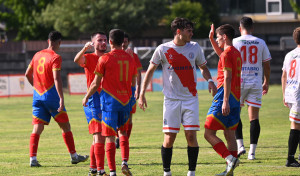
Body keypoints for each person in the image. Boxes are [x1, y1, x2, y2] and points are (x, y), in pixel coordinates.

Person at [138, 17, 217, 176]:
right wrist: (141, 94)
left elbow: (203, 67)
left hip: (190, 99)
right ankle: (167, 172)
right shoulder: (163, 49)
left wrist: (210, 81)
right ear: (179, 32)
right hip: (171, 101)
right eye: (189, 30)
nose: (192, 33)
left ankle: (191, 173)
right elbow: (150, 70)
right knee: (169, 139)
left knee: (191, 136)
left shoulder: (194, 48)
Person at [25, 31, 88, 167]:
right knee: (65, 126)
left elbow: (27, 74)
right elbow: (56, 78)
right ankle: (74, 156)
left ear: (48, 41)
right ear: (59, 42)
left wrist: (36, 87)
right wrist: (61, 98)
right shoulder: (55, 57)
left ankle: (33, 159)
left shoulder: (37, 55)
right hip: (51, 96)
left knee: (37, 128)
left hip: (38, 96)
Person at [82, 29, 137, 176]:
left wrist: (86, 96)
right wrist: (133, 95)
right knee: (123, 133)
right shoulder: (130, 58)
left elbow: (95, 83)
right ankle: (124, 162)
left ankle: (111, 171)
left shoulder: (104, 58)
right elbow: (134, 80)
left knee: (109, 137)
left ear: (110, 42)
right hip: (125, 101)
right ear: (123, 42)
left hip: (109, 103)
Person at [232, 16, 271, 160]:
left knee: (236, 113)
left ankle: (240, 146)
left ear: (240, 28)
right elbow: (266, 64)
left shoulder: (234, 42)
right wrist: (266, 81)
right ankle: (252, 153)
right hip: (255, 81)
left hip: (239, 82)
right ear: (252, 28)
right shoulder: (261, 42)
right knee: (254, 117)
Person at [205, 24, 242, 176]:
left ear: (225, 37)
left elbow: (227, 77)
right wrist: (211, 39)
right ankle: (230, 172)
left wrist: (225, 100)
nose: (218, 40)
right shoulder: (235, 52)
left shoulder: (226, 55)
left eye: (219, 37)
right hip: (236, 97)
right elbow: (222, 54)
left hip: (224, 96)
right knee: (229, 134)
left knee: (208, 133)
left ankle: (230, 159)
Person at [74, 32, 108, 176]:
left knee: (99, 137)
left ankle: (93, 169)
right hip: (93, 98)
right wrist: (84, 49)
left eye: (105, 40)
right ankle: (100, 171)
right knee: (99, 135)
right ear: (93, 43)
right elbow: (77, 60)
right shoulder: (89, 57)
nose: (103, 42)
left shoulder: (108, 58)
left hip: (107, 98)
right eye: (100, 40)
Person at [115, 33, 142, 149]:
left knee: (129, 116)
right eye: (121, 41)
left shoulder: (134, 56)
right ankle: (118, 137)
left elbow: (138, 73)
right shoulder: (113, 56)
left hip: (130, 90)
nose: (123, 44)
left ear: (128, 43)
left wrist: (138, 89)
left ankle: (125, 140)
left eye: (125, 42)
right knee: (115, 115)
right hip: (115, 90)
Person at [281, 27, 300, 167]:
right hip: (299, 93)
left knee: (296, 124)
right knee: (295, 125)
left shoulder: (289, 55)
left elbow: (284, 75)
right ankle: (290, 158)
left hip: (291, 93)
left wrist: (284, 94)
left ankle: (293, 157)